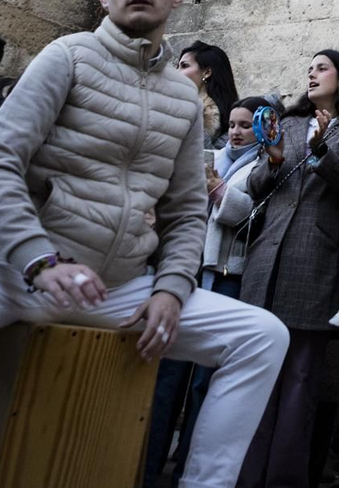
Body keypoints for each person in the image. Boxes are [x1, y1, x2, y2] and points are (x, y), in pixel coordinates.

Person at [0, 0, 289, 488]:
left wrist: (171, 291)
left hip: (121, 287)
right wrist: (40, 260)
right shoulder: (67, 56)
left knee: (263, 336)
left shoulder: (183, 100)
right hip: (18, 272)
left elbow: (187, 210)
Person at [237, 49, 339, 488]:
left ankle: (283, 479)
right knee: (257, 375)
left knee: (300, 379)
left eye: (321, 68)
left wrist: (322, 151)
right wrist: (274, 158)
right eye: (309, 68)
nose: (311, 74)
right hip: (267, 259)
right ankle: (245, 477)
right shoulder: (288, 124)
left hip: (315, 261)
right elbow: (256, 186)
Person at [148, 97, 269, 487]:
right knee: (167, 375)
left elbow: (253, 219)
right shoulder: (212, 157)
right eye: (232, 124)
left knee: (205, 382)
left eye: (246, 125)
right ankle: (146, 468)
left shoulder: (265, 165)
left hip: (228, 274)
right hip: (189, 271)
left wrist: (218, 189)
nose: (236, 132)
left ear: (262, 130)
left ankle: (189, 471)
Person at [180, 41, 241, 149]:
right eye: (178, 66)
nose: (177, 72)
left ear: (207, 72)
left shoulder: (235, 121)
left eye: (184, 66)